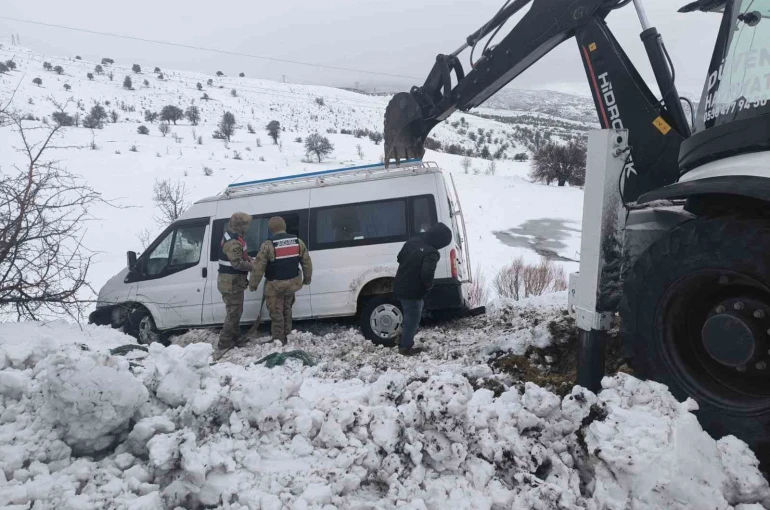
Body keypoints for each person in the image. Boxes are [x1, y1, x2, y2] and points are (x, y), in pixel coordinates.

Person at [249, 216, 312, 344]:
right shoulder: (297, 242)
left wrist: (253, 284)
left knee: (277, 313)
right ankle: (288, 336)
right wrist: (307, 278)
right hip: (292, 284)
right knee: (287, 310)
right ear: (284, 226)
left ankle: (279, 340)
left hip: (275, 286)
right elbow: (306, 262)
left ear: (271, 229)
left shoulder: (268, 245)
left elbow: (258, 267)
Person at [393, 222, 453, 356]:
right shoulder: (432, 253)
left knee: (409, 314)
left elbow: (399, 258)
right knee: (413, 318)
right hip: (413, 291)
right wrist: (429, 285)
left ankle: (403, 338)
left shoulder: (412, 241)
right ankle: (405, 347)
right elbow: (427, 273)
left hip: (399, 285)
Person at [217, 212, 254, 353]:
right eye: (246, 224)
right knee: (233, 313)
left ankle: (235, 338)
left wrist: (248, 259)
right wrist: (252, 266)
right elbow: (237, 263)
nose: (248, 227)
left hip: (231, 282)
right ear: (240, 226)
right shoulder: (233, 242)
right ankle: (224, 342)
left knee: (236, 311)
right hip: (231, 283)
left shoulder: (232, 236)